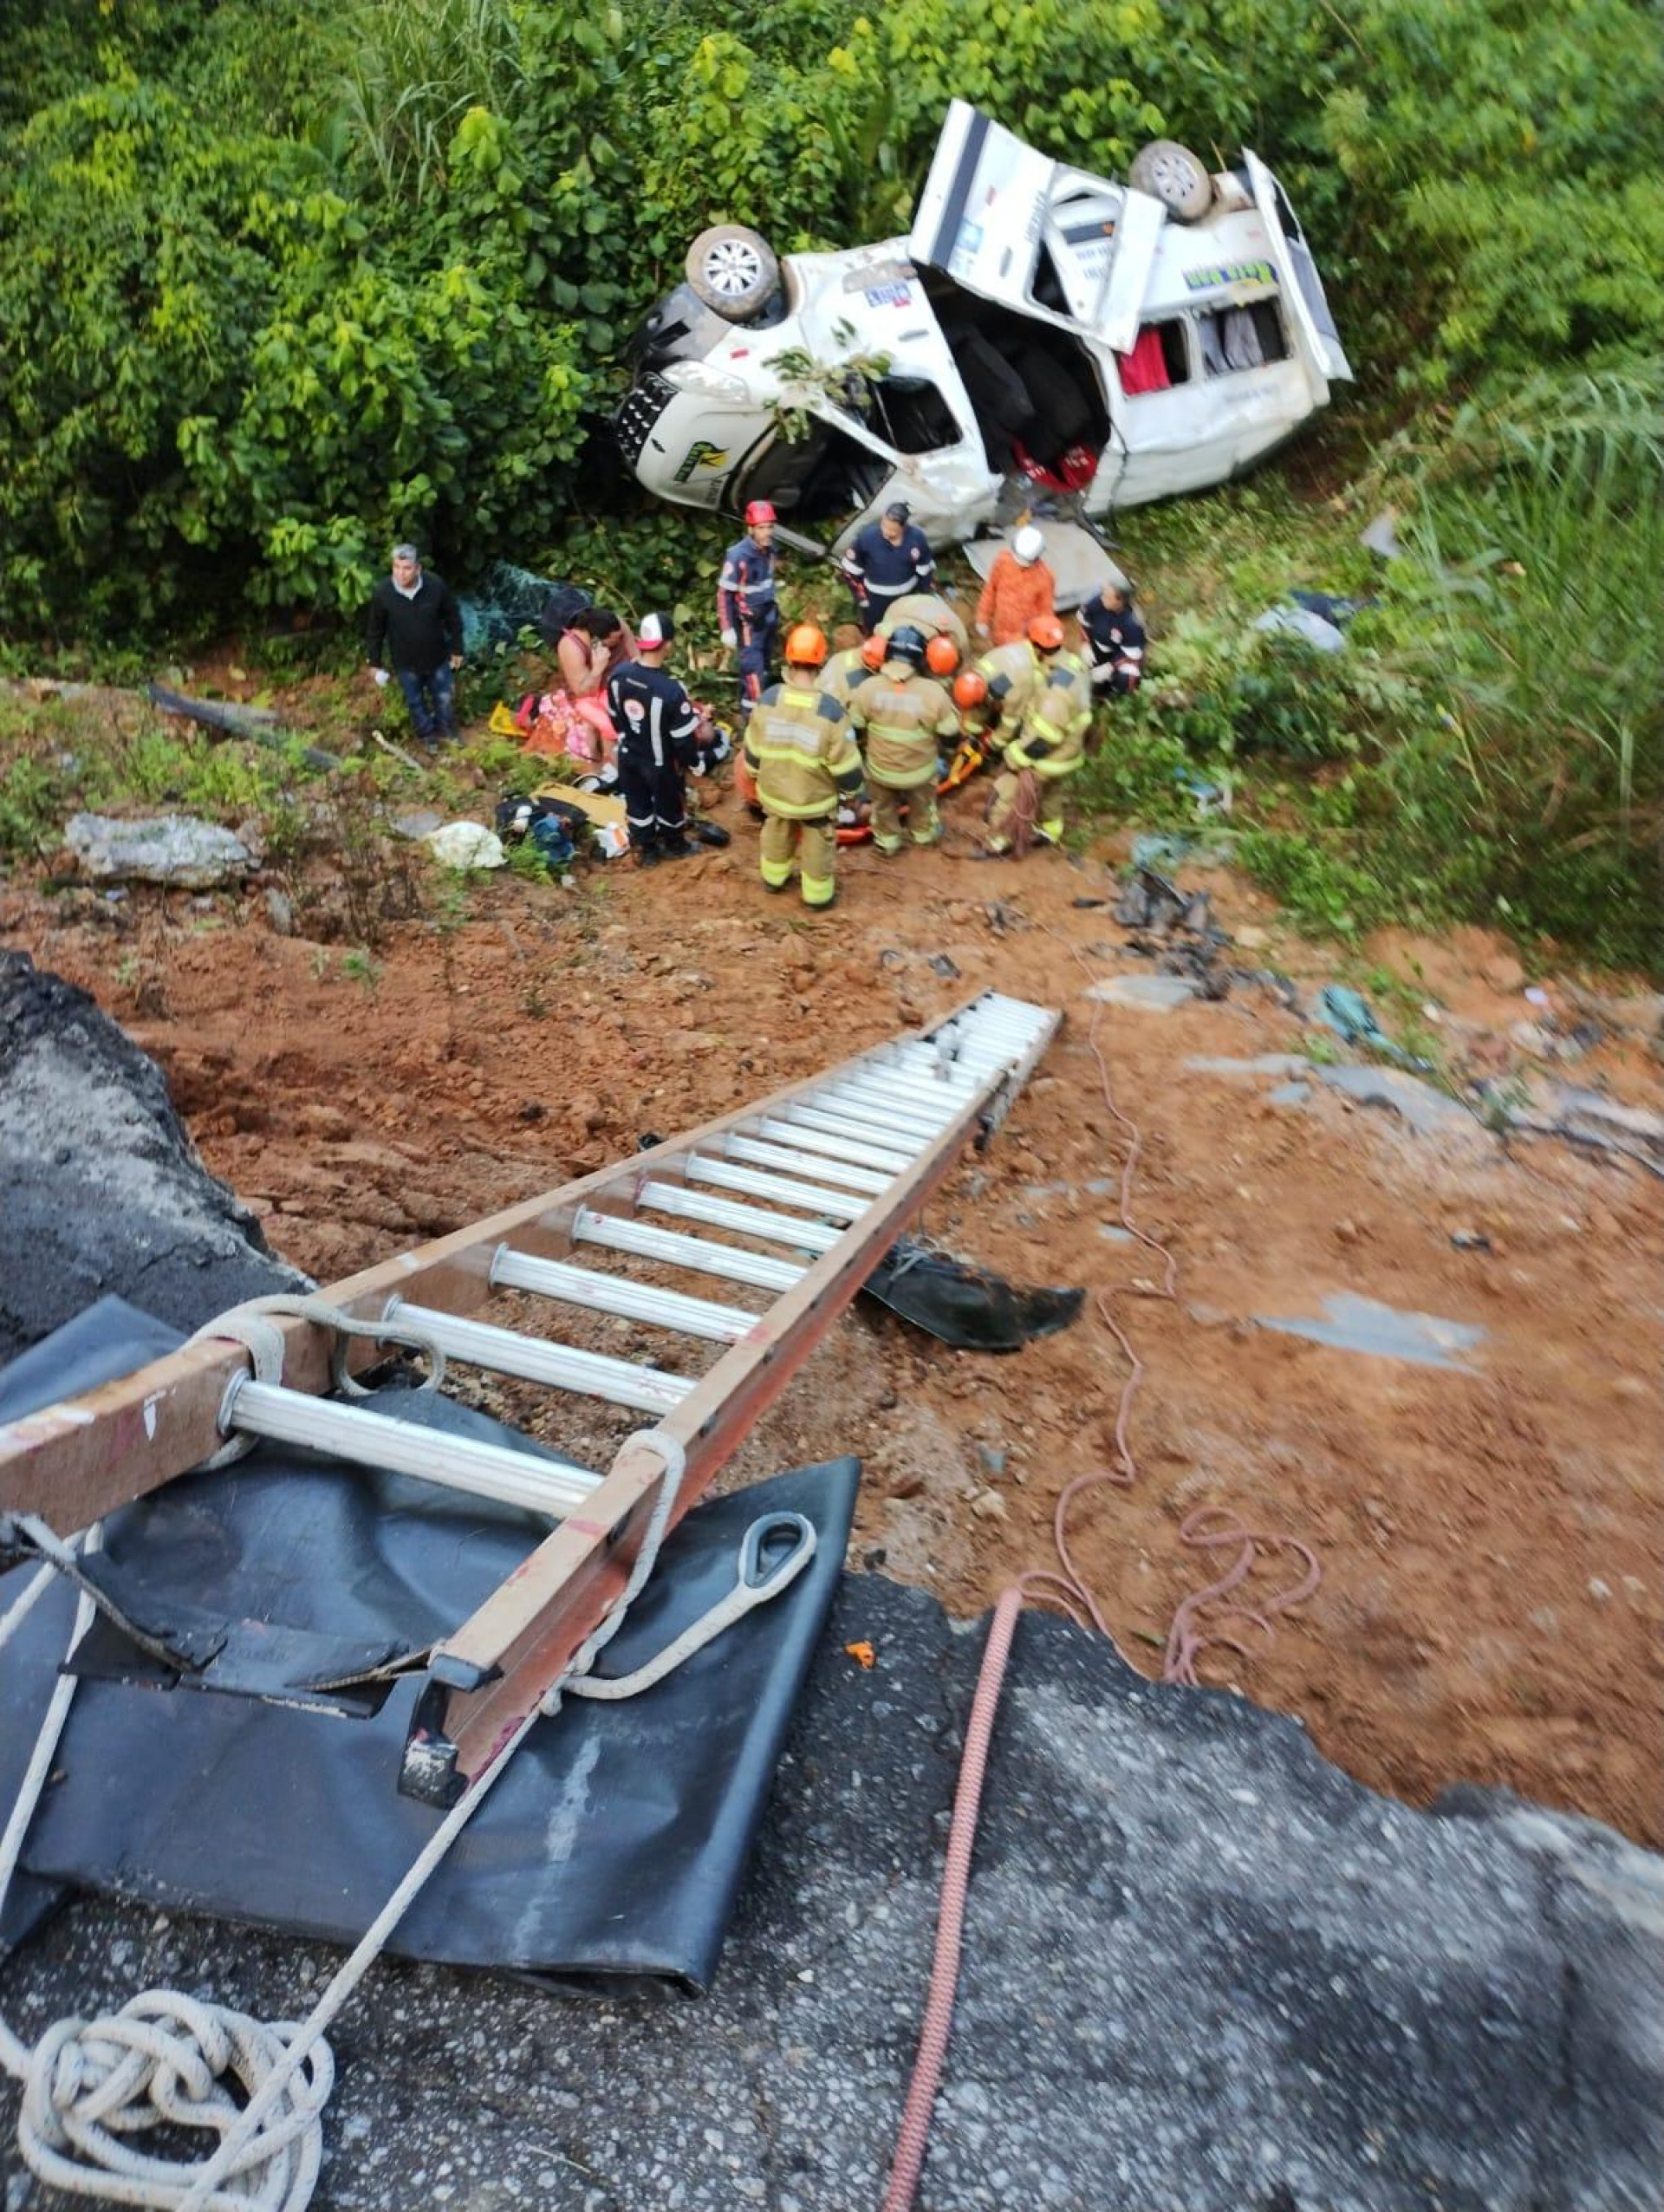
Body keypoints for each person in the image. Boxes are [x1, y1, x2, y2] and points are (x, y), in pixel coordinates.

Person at [743, 624, 865, 909]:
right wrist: (853, 794)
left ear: (788, 658)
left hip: (775, 794)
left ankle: (774, 879)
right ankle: (817, 897)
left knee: (776, 834)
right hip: (814, 801)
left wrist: (755, 775)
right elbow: (846, 766)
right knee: (817, 847)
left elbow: (753, 749)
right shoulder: (831, 712)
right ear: (821, 661)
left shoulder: (769, 699)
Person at [848, 624, 959, 856]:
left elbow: (855, 730)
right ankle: (923, 836)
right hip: (920, 773)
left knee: (883, 809)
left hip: (880, 771)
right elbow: (951, 737)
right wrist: (945, 755)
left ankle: (887, 842)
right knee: (923, 807)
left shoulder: (867, 689)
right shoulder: (934, 693)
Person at [985, 615, 1091, 855]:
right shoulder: (1073, 665)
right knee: (1052, 792)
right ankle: (1049, 831)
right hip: (1070, 751)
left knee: (1009, 790)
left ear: (1036, 647)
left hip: (1051, 757)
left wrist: (1014, 756)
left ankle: (999, 841)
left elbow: (1045, 737)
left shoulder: (1056, 691)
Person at [604, 612, 699, 867]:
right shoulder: (671, 690)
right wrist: (692, 762)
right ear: (668, 645)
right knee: (669, 803)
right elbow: (683, 739)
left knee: (637, 803)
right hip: (660, 763)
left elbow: (614, 716)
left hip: (628, 755)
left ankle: (648, 851)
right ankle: (675, 844)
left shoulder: (619, 676)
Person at [365, 543, 464, 745]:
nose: (401, 574)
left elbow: (453, 618)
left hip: (437, 658)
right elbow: (375, 630)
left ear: (418, 568)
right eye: (396, 567)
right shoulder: (383, 593)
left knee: (444, 698)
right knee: (415, 702)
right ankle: (428, 736)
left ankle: (446, 731)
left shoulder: (435, 586)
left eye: (407, 568)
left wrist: (457, 649)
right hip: (406, 663)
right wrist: (374, 663)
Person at [522, 605, 635, 768]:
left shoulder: (618, 626)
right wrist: (597, 669)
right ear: (596, 641)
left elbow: (635, 656)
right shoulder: (571, 646)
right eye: (613, 642)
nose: (618, 642)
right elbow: (582, 692)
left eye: (620, 638)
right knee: (603, 725)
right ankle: (604, 767)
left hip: (622, 684)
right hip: (590, 695)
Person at [841, 501, 936, 634]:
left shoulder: (916, 538)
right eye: (884, 526)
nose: (885, 532)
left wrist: (923, 593)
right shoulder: (868, 537)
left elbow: (925, 569)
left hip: (907, 596)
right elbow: (850, 571)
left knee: (904, 628)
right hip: (875, 599)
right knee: (875, 630)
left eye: (892, 530)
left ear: (903, 527)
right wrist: (861, 597)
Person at [718, 500, 780, 705]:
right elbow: (724, 593)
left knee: (765, 665)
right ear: (751, 529)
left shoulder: (770, 550)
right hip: (749, 624)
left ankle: (754, 701)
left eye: (770, 527)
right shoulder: (738, 555)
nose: (767, 533)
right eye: (761, 528)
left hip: (768, 616)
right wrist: (727, 627)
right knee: (754, 670)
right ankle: (753, 712)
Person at [974, 524, 1056, 648]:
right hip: (999, 630)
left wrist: (1040, 640)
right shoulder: (1003, 560)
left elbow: (1045, 613)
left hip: (1022, 639)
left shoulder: (1045, 577)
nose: (1021, 564)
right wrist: (982, 618)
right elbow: (990, 590)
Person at [1079, 577, 1147, 697]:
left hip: (1119, 655)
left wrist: (1110, 667)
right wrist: (1085, 644)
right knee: (1081, 669)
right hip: (1097, 648)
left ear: (1120, 601)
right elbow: (1084, 622)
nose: (1102, 598)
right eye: (1103, 593)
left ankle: (1118, 695)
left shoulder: (1132, 623)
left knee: (1126, 676)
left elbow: (1131, 655)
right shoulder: (1097, 602)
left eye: (1107, 597)